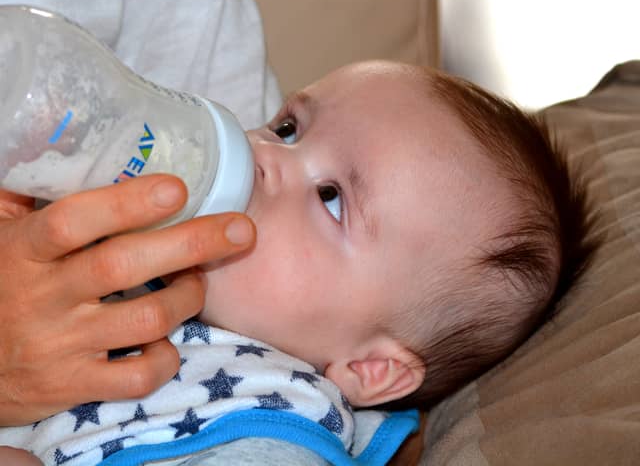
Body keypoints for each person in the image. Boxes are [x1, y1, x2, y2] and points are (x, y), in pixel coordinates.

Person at [0, 60, 594, 466]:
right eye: (287, 128)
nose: (262, 154)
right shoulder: (124, 245)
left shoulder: (267, 427)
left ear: (370, 368)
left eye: (331, 197)